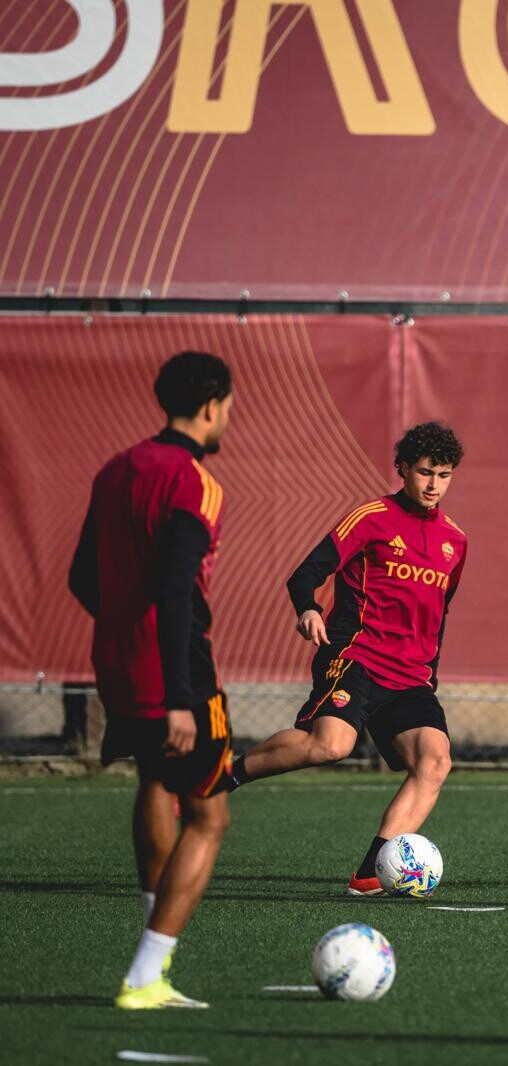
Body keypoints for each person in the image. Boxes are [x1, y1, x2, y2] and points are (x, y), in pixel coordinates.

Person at [227, 422, 467, 896]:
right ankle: (223, 777)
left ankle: (370, 873)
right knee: (330, 746)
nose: (433, 484)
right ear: (403, 469)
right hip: (356, 655)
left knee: (435, 761)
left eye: (443, 475)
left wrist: (429, 677)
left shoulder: (455, 541)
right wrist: (308, 608)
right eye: (424, 472)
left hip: (410, 677)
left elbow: (437, 617)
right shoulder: (371, 518)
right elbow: (305, 573)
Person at [69, 351, 236, 1009]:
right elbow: (174, 590)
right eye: (229, 406)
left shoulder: (115, 469)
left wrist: (124, 635)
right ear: (212, 406)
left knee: (155, 783)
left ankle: (151, 955)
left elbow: (82, 578)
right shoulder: (195, 482)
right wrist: (180, 697)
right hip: (178, 672)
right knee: (209, 815)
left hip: (116, 663)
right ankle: (146, 973)